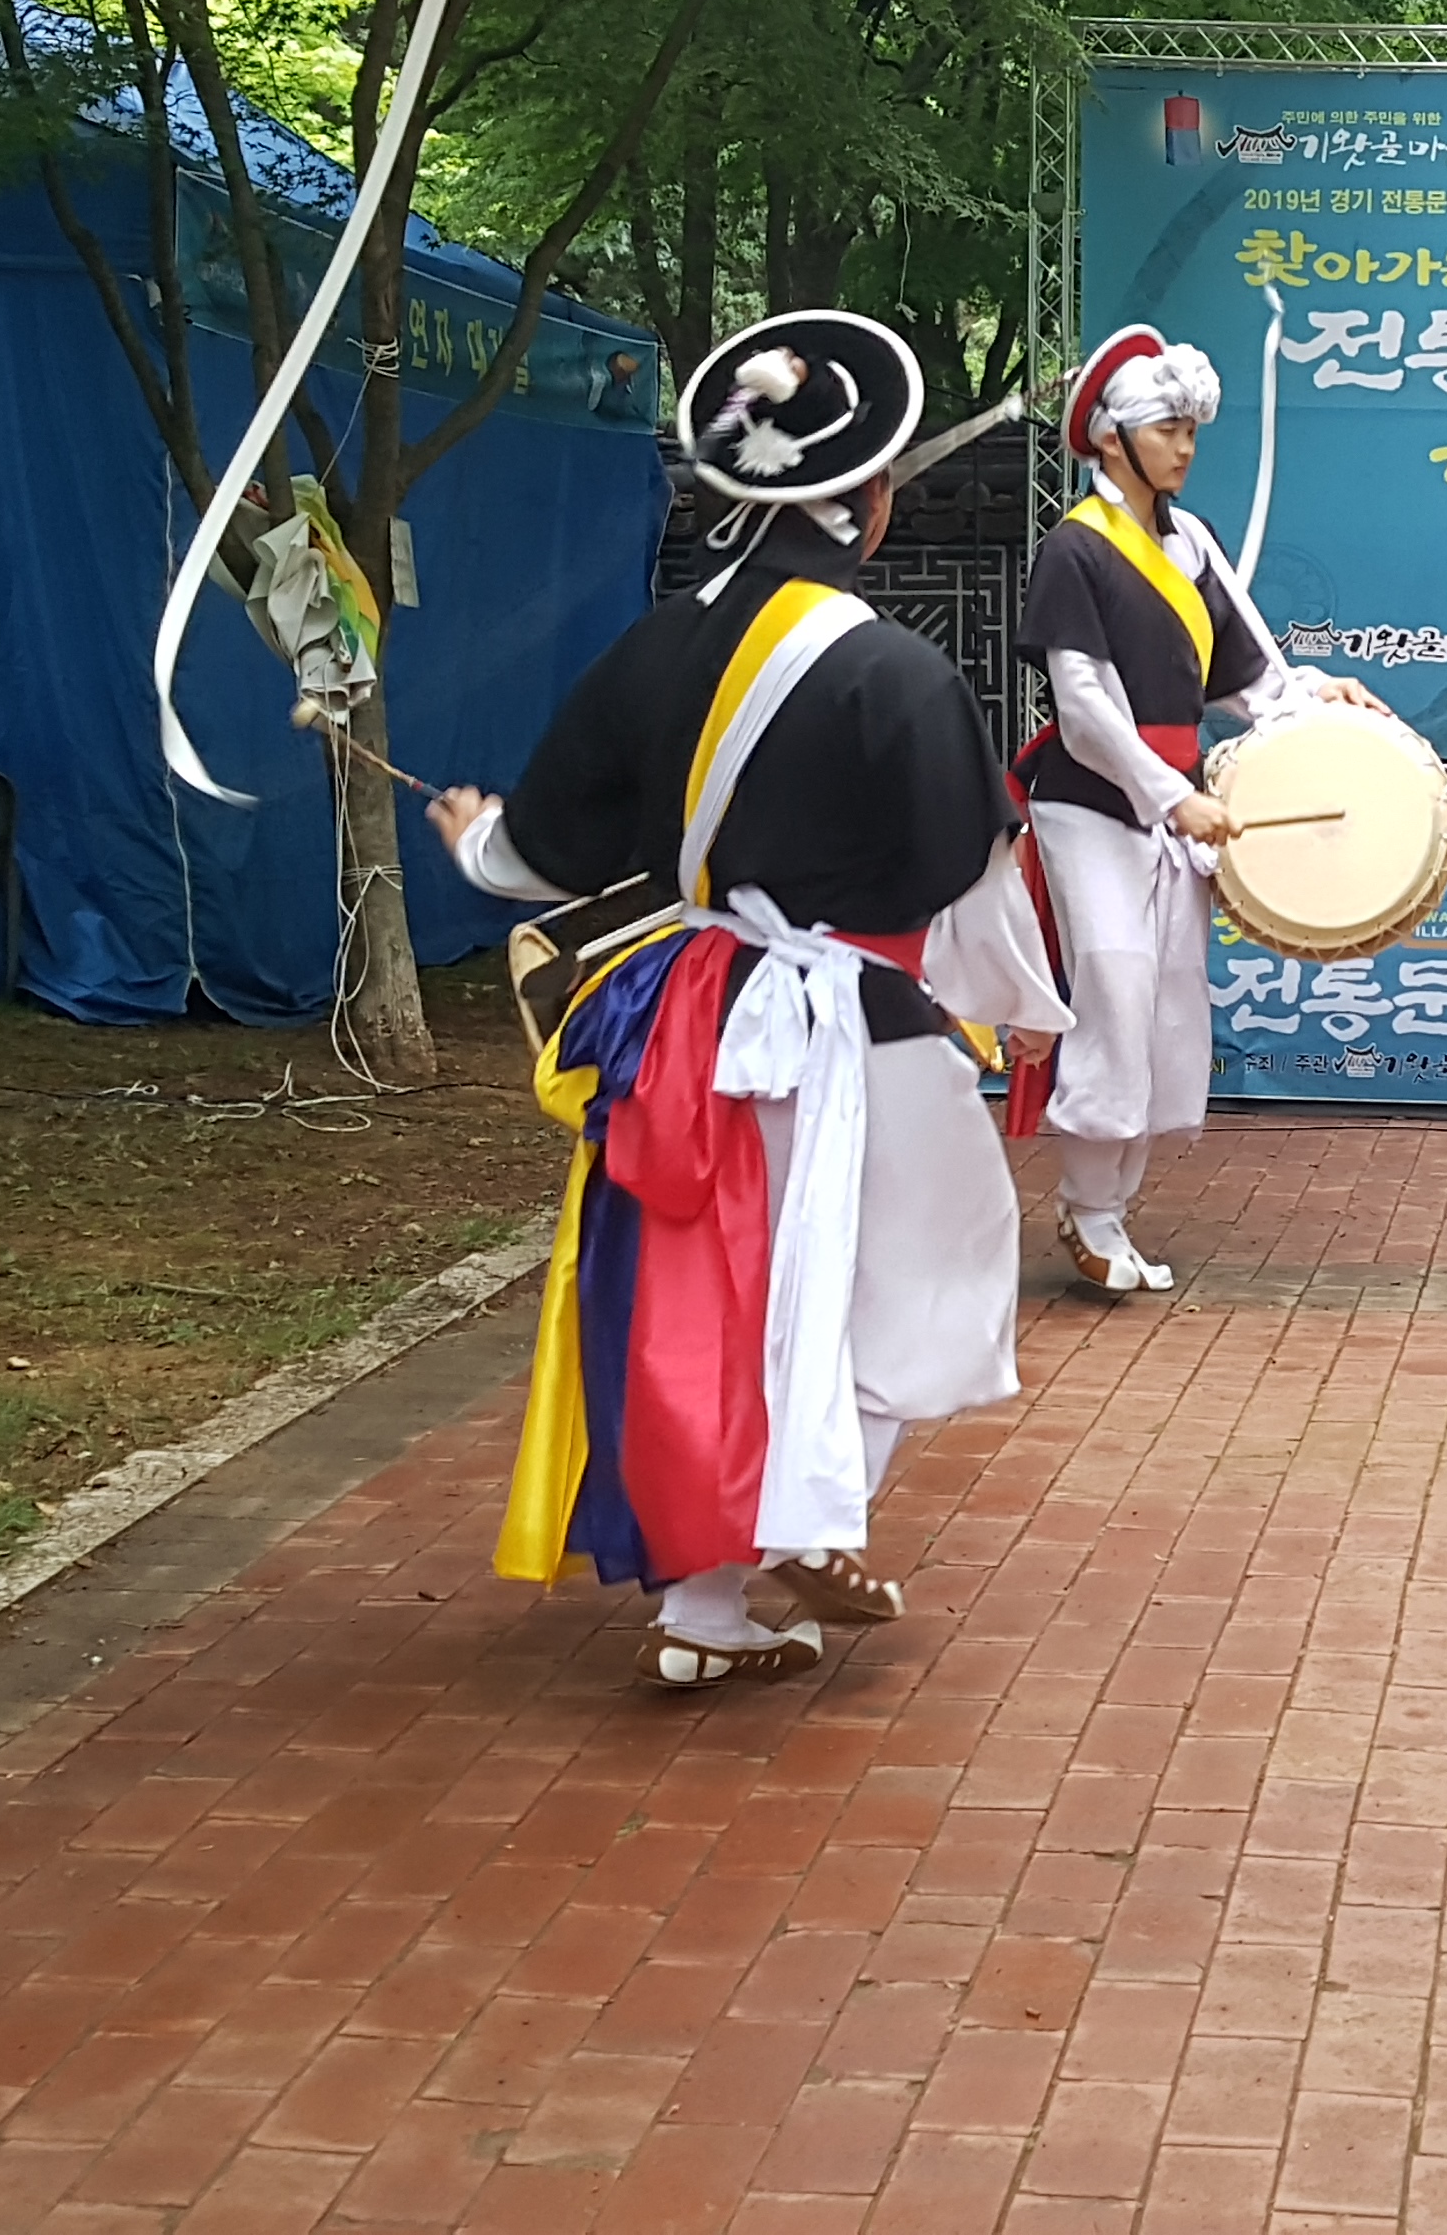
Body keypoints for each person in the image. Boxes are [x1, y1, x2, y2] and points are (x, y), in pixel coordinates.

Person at [429, 309, 1068, 1690]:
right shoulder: (900, 672)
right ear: (873, 501)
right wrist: (1023, 1009)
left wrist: (475, 844)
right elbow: (965, 873)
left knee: (727, 1300)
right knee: (937, 1274)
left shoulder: (655, 647)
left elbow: (542, 850)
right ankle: (804, 1512)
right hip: (859, 1021)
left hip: (698, 1020)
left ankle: (708, 1613)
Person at [1011, 324, 1388, 1297]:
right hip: (1093, 802)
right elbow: (1085, 707)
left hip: (1174, 807)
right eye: (1166, 430)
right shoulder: (1074, 549)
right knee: (1116, 982)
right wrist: (1173, 795)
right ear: (1111, 439)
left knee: (1168, 999)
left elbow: (1254, 675)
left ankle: (1111, 1209)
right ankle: (1088, 1208)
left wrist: (1319, 697)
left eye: (1189, 431)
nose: (1184, 448)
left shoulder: (1194, 542)